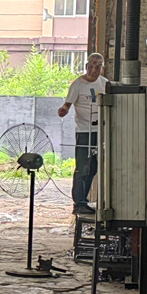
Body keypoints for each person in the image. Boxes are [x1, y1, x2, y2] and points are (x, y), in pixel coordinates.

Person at [57, 53, 108, 216]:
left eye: (98, 67)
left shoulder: (105, 84)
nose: (94, 70)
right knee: (83, 168)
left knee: (94, 167)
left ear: (102, 68)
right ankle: (79, 203)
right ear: (86, 67)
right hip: (85, 131)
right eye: (91, 66)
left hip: (101, 131)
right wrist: (63, 110)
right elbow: (67, 104)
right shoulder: (77, 85)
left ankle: (87, 200)